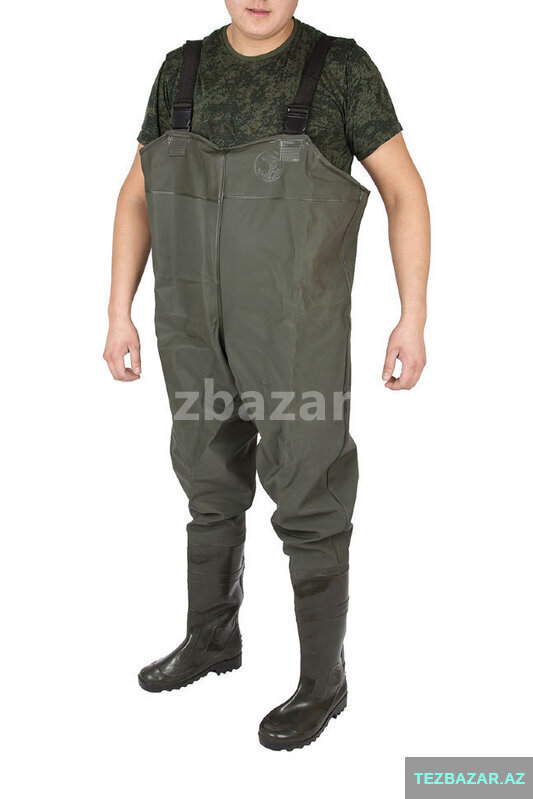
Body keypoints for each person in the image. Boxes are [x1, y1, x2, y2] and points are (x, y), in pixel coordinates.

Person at [104, 0, 430, 751]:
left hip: (294, 335)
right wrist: (119, 311)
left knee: (310, 490)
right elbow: (136, 194)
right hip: (191, 326)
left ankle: (323, 680)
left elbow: (403, 190)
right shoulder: (180, 70)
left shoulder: (339, 68)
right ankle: (212, 636)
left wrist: (410, 316)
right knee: (206, 477)